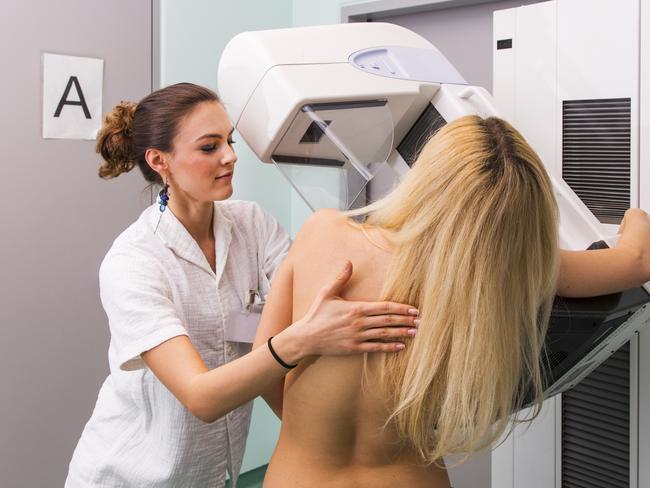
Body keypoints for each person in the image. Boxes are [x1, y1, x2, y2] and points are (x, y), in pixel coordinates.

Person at [253, 115, 650, 487]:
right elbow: (638, 259)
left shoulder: (323, 231)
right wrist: (635, 213)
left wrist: (312, 433)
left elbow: (266, 368)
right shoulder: (510, 269)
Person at [65, 83, 419, 487]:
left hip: (216, 476)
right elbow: (202, 396)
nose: (231, 155)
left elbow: (296, 316)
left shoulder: (252, 226)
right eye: (208, 147)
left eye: (229, 140)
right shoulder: (134, 262)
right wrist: (304, 339)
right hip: (132, 477)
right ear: (159, 160)